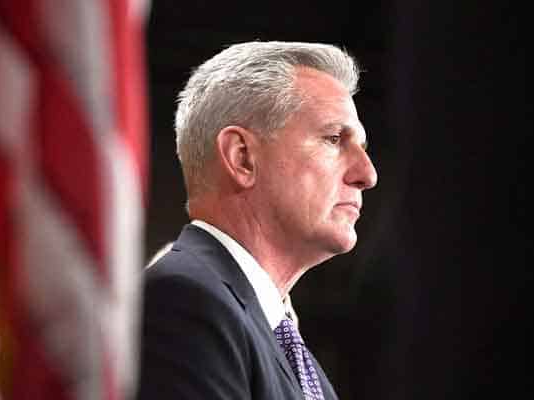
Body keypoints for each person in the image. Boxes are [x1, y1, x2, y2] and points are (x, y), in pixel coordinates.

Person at [137, 41, 377, 400]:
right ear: (242, 157)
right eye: (333, 139)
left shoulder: (295, 357)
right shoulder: (185, 301)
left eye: (363, 147)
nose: (367, 174)